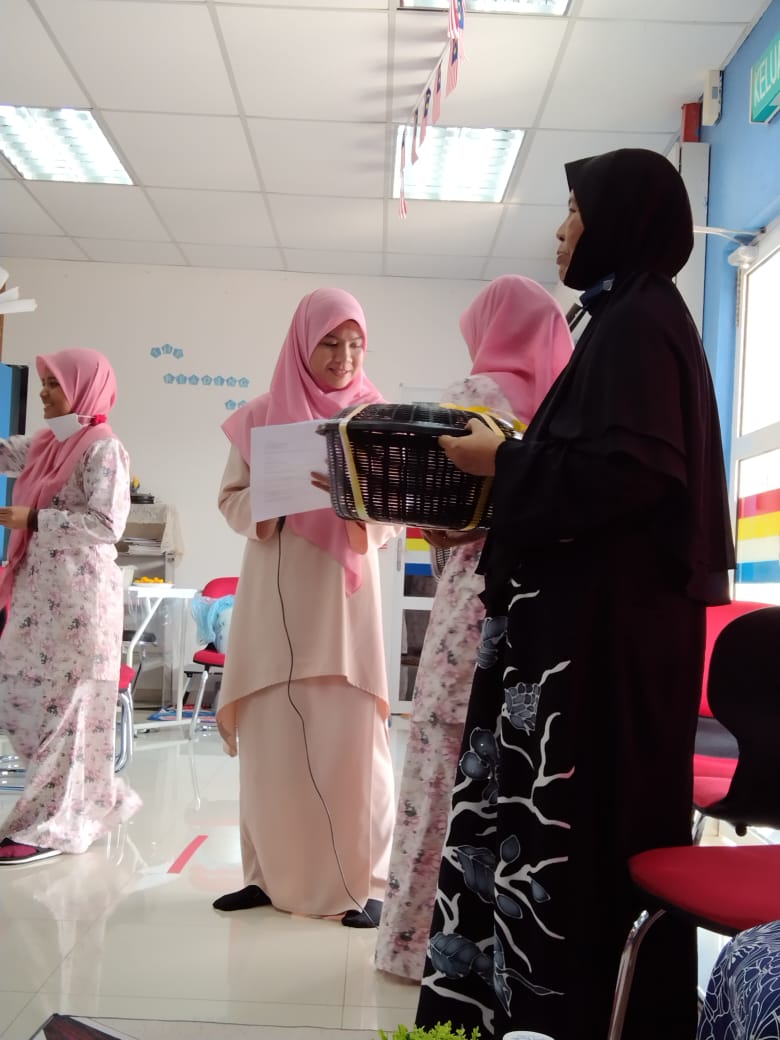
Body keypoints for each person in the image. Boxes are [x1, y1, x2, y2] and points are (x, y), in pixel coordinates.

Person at [414, 149, 735, 1039]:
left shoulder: (637, 326)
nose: (560, 233)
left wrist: (503, 460)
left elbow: (625, 478)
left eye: (573, 213)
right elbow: (597, 478)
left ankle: (571, 1015)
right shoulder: (625, 318)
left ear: (617, 220)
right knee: (543, 831)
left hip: (599, 654)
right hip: (582, 640)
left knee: (573, 835)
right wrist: (496, 495)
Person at [374, 275, 573, 981]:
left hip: (471, 600)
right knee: (506, 769)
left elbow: (446, 519)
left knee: (441, 754)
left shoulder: (475, 395)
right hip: (537, 603)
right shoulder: (567, 405)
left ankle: (415, 942)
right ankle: (495, 948)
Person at [213, 287, 396, 927]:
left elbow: (393, 516)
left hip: (344, 604)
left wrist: (350, 500)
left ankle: (367, 884)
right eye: (330, 343)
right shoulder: (259, 417)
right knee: (272, 744)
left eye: (356, 344)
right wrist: (274, 495)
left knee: (352, 746)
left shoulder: (375, 419)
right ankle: (264, 876)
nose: (344, 357)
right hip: (275, 597)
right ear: (301, 345)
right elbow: (230, 499)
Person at [0, 348, 141, 865]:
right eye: (42, 382)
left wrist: (34, 518)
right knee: (23, 698)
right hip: (37, 598)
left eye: (54, 383)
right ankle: (94, 800)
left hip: (81, 602)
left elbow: (108, 525)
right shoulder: (48, 443)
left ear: (83, 389)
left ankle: (47, 826)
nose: (43, 392)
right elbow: (3, 453)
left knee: (67, 713)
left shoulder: (104, 448)